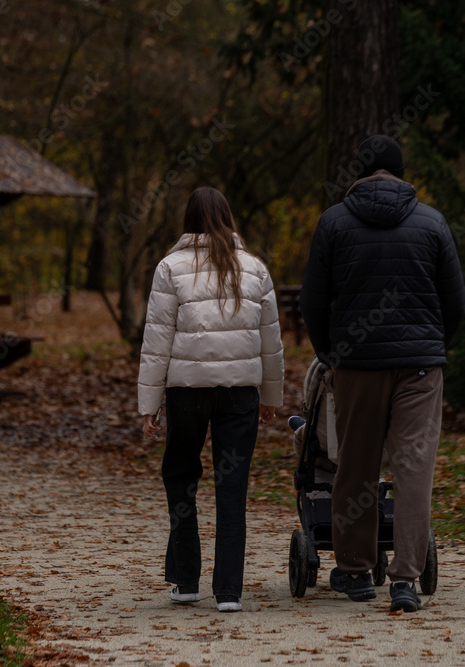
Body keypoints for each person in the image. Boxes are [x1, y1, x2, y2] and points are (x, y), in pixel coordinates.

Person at [300, 135, 465, 613]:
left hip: (357, 364)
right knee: (413, 468)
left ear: (359, 173)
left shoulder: (334, 222)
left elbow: (313, 300)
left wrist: (330, 353)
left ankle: (354, 571)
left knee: (356, 463)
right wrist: (431, 345)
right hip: (419, 368)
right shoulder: (432, 222)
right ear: (400, 172)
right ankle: (405, 579)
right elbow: (455, 301)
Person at [137, 186, 284, 613]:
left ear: (189, 220)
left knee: (180, 476)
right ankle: (229, 592)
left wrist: (149, 404)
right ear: (228, 217)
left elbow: (157, 341)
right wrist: (271, 396)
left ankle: (186, 581)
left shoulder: (170, 267)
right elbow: (270, 341)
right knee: (232, 486)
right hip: (240, 395)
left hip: (187, 393)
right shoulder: (255, 268)